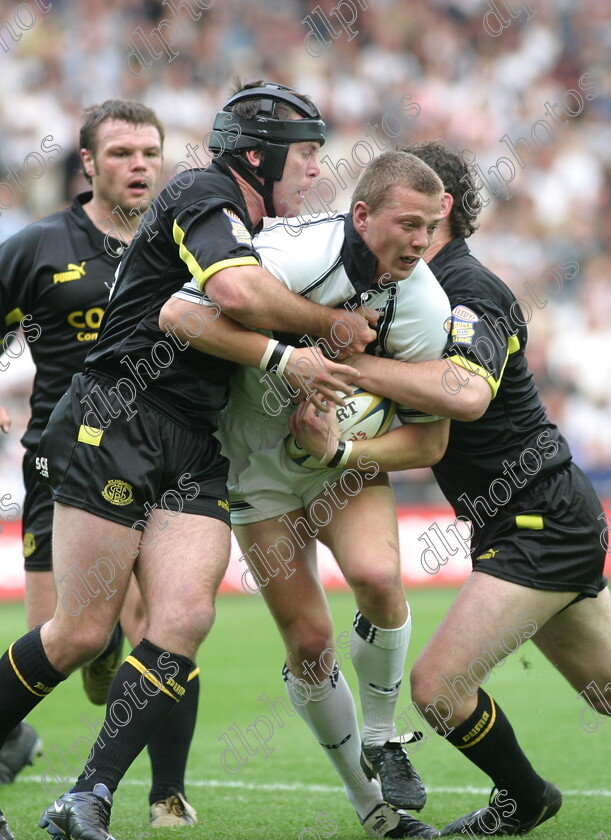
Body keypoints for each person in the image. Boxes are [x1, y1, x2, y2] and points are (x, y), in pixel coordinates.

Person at [0, 81, 372, 840]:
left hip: (193, 438)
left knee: (184, 617)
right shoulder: (204, 191)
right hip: (117, 416)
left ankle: (88, 798)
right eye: (304, 154)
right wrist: (327, 330)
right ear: (258, 156)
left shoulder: (259, 224)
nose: (315, 170)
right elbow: (232, 292)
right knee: (78, 634)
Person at [314, 140, 609, 836]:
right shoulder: (419, 291)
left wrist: (348, 371)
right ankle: (525, 796)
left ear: (438, 209)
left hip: (539, 516)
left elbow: (465, 395)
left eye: (408, 212)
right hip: (532, 516)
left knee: (438, 688)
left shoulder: (466, 290)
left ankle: (525, 799)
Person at [161, 150, 452, 839]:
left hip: (343, 467)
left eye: (429, 227)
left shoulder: (423, 304)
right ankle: (371, 805)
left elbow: (431, 442)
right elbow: (179, 314)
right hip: (253, 466)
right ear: (361, 215)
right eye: (405, 223)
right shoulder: (290, 249)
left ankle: (381, 737)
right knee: (312, 641)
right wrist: (287, 360)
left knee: (381, 578)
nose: (418, 240)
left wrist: (342, 450)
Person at [0, 99, 203, 828]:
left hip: (166, 456)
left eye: (150, 151)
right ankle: (15, 730)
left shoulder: (192, 242)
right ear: (88, 164)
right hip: (65, 461)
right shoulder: (37, 247)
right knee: (77, 644)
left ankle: (166, 793)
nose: (139, 164)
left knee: (172, 614)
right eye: (120, 153)